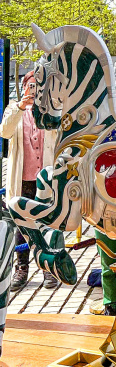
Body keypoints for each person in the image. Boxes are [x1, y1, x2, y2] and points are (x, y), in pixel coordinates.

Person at [0, 71, 59, 291]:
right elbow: (4, 131)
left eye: (37, 87)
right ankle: (21, 268)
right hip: (22, 178)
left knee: (45, 224)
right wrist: (21, 107)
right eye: (30, 86)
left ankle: (48, 269)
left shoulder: (50, 111)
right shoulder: (14, 109)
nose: (33, 90)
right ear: (23, 87)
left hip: (44, 179)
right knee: (20, 225)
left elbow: (59, 133)